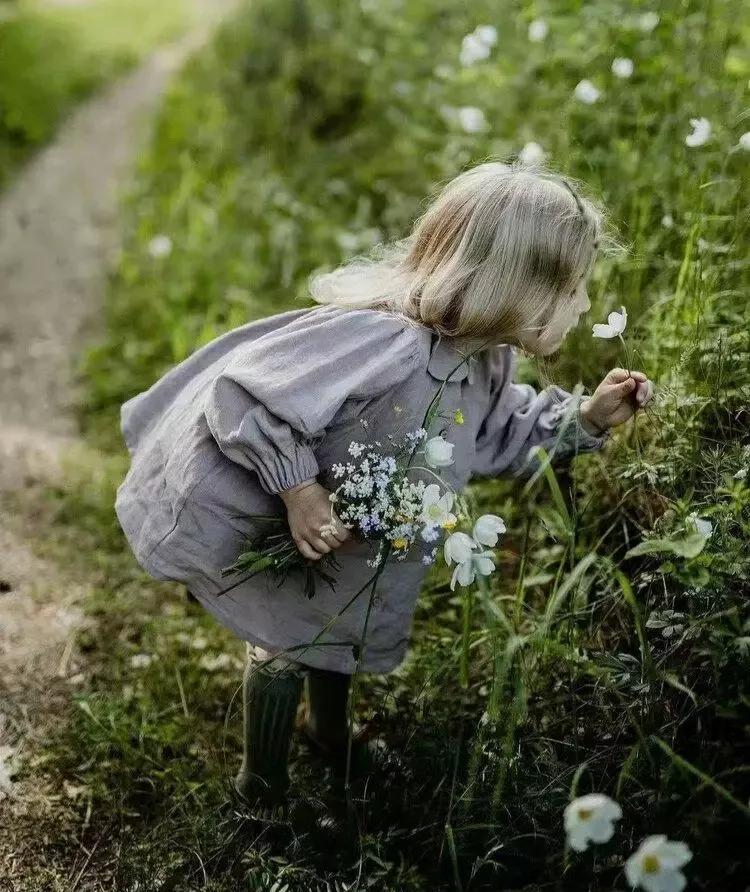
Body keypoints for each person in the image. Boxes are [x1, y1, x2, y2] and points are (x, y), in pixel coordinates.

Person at [114, 160, 654, 819]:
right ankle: (261, 786)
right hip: (302, 531)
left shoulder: (483, 361)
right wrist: (299, 490)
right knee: (285, 640)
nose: (586, 305)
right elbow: (247, 394)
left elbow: (500, 433)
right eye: (575, 290)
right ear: (516, 284)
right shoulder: (384, 343)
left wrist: (588, 418)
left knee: (337, 630)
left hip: (360, 550)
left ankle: (329, 733)